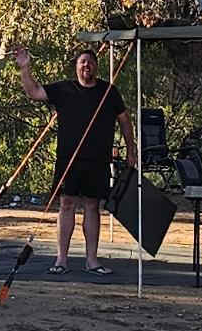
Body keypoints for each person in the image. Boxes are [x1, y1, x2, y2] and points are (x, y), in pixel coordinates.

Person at [16, 43, 138, 275]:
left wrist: (131, 149)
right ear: (76, 66)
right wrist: (25, 67)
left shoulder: (108, 91)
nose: (86, 66)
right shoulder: (64, 89)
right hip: (68, 159)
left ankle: (92, 260)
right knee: (66, 204)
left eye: (90, 62)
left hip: (97, 159)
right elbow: (34, 92)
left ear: (96, 67)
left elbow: (124, 120)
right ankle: (61, 260)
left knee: (92, 206)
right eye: (82, 62)